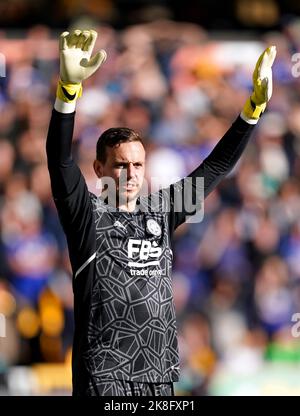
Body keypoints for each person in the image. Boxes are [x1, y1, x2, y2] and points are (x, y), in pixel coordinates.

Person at [46, 29, 276, 396]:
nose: (132, 174)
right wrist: (67, 95)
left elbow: (213, 169)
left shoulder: (161, 211)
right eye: (122, 165)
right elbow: (59, 161)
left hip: (160, 375)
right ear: (100, 169)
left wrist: (251, 113)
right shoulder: (86, 215)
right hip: (106, 378)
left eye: (138, 164)